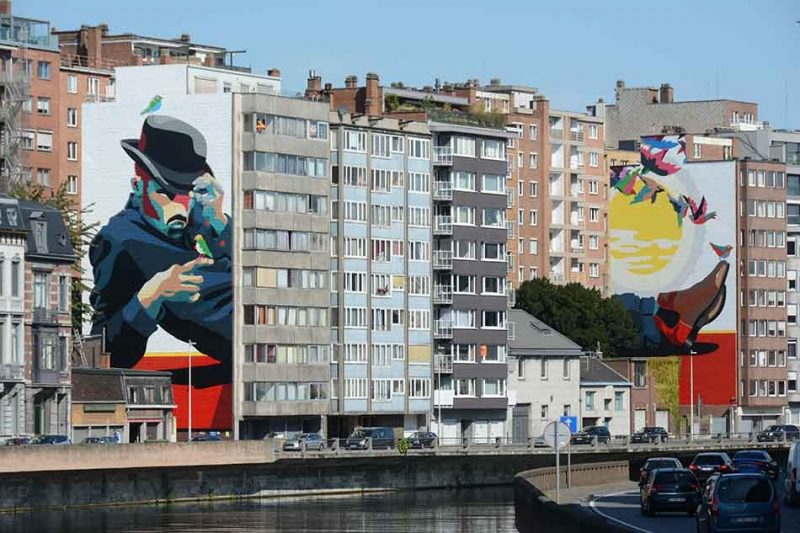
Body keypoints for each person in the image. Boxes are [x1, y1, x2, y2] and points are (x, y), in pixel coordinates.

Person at [90, 116, 232, 387]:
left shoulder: (206, 217)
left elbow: (262, 273)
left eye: (187, 193)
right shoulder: (118, 241)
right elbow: (107, 353)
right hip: (244, 364)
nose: (180, 207)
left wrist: (221, 223)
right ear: (138, 186)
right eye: (165, 194)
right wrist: (150, 298)